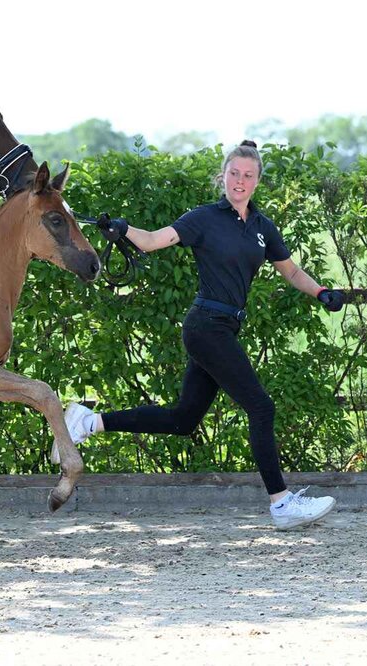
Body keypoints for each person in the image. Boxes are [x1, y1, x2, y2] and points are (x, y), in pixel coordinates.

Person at [62, 140, 345, 529]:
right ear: (223, 176)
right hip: (206, 326)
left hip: (223, 328)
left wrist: (321, 292)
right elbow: (153, 240)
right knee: (261, 407)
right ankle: (281, 503)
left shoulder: (263, 228)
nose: (240, 181)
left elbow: (291, 271)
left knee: (183, 420)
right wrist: (124, 230)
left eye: (248, 175)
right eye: (234, 173)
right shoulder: (204, 219)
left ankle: (88, 422)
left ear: (257, 181)